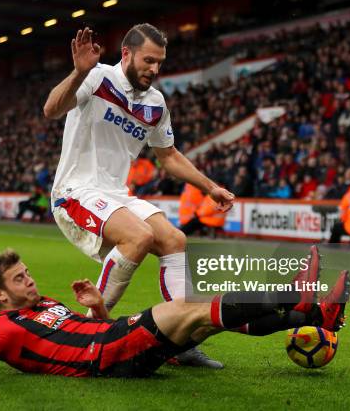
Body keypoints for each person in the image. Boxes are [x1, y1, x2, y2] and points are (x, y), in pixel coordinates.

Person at [43, 24, 235, 367]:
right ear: (127, 54)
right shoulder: (97, 77)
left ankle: (180, 341)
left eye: (159, 62)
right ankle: (86, 333)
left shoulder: (156, 103)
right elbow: (52, 109)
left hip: (115, 194)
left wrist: (210, 187)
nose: (155, 69)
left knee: (174, 240)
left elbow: (169, 156)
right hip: (74, 190)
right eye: (149, 60)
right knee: (139, 236)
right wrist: (78, 72)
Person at [0, 249, 350, 378]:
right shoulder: (5, 329)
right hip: (108, 357)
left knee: (203, 321)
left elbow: (93, 329)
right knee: (191, 307)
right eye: (19, 279)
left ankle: (314, 318)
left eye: (26, 273)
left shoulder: (47, 307)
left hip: (114, 338)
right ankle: (294, 294)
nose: (29, 280)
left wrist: (97, 308)